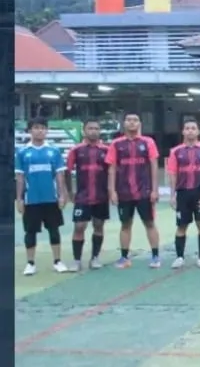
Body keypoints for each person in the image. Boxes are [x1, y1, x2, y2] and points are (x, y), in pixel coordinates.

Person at [106, 111, 161, 269]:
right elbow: (112, 168)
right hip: (124, 192)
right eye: (129, 120)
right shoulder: (116, 144)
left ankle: (155, 256)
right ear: (124, 123)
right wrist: (112, 191)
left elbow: (154, 166)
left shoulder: (148, 142)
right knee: (125, 224)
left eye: (135, 120)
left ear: (140, 124)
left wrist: (154, 190)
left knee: (149, 223)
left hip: (144, 192)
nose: (132, 122)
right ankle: (124, 258)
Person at [16, 118, 69, 275]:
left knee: (54, 229)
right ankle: (30, 263)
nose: (40, 130)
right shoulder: (22, 152)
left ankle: (57, 261)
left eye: (43, 128)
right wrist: (19, 198)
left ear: (47, 130)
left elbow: (59, 175)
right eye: (36, 127)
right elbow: (20, 177)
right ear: (30, 131)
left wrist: (62, 195)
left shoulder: (54, 151)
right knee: (30, 232)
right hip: (31, 200)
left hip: (51, 199)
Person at [166, 117, 200, 269]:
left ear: (198, 131)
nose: (190, 131)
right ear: (183, 131)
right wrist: (172, 195)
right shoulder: (176, 152)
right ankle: (179, 257)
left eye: (193, 128)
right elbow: (172, 174)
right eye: (187, 128)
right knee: (181, 225)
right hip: (182, 194)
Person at [65, 119, 110, 271]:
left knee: (99, 226)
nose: (93, 131)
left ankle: (95, 258)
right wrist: (69, 192)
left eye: (96, 128)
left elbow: (112, 171)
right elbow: (67, 171)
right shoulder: (76, 150)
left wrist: (111, 191)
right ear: (84, 131)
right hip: (82, 196)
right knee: (79, 227)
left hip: (101, 196)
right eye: (90, 128)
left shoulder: (106, 150)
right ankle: (77, 260)